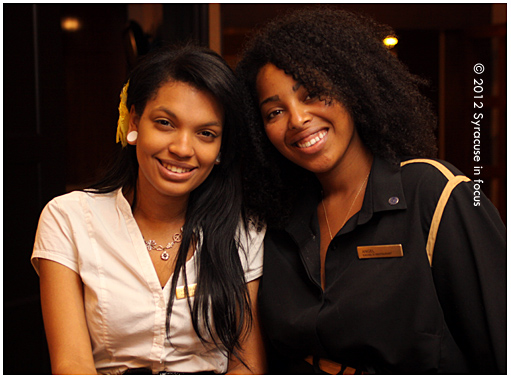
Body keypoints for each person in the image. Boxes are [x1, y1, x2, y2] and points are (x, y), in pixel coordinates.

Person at [236, 7, 506, 374]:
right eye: (274, 112)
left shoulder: (433, 193)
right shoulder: (276, 221)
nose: (297, 119)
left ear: (351, 86)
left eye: (312, 93)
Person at [31, 44, 266, 375]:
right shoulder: (68, 219)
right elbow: (71, 364)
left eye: (206, 133)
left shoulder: (244, 228)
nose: (183, 148)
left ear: (220, 149)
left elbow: (247, 365)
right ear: (135, 121)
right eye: (165, 123)